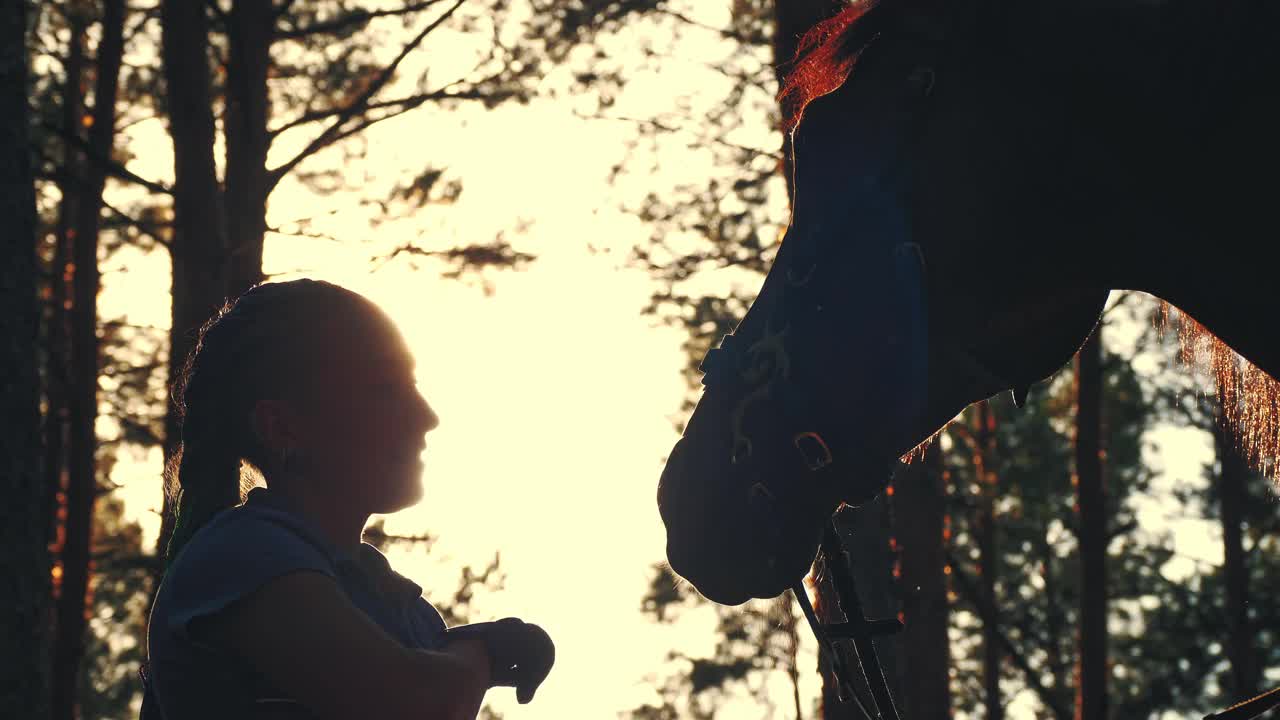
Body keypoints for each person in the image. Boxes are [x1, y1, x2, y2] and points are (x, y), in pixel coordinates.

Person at [143, 279, 554, 720]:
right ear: (283, 428)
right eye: (385, 389)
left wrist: (458, 655)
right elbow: (419, 706)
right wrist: (483, 651)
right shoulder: (239, 557)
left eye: (412, 385)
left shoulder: (407, 611)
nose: (426, 416)